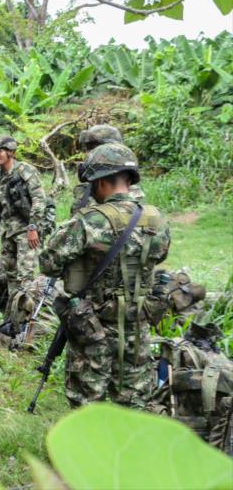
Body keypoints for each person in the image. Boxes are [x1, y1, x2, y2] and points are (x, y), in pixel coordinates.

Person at [40, 142, 171, 409]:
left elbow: (48, 263)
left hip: (93, 327)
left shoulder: (89, 220)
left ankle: (88, 450)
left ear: (99, 182)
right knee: (134, 403)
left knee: (88, 402)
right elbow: (160, 256)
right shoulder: (157, 220)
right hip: (137, 323)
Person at [0, 135, 48, 322]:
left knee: (26, 276)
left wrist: (32, 227)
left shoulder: (25, 170)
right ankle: (12, 316)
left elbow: (39, 199)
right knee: (11, 275)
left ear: (10, 152)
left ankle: (25, 321)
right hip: (7, 232)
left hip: (26, 232)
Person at [72, 124, 145, 211]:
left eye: (94, 147)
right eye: (89, 148)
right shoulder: (85, 189)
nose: (89, 153)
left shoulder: (129, 189)